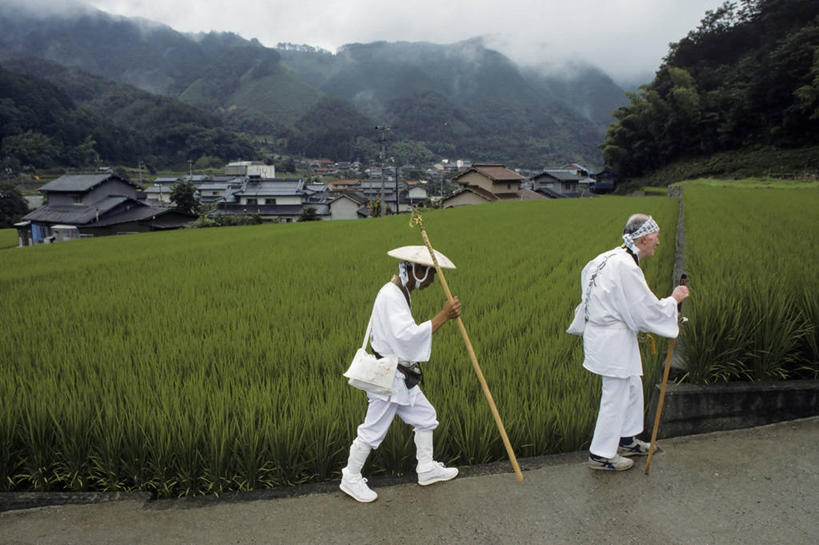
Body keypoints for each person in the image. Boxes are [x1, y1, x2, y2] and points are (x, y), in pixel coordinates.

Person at [340, 245, 462, 502]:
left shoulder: (398, 293)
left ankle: (426, 469)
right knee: (372, 431)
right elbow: (406, 337)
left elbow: (402, 339)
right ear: (416, 271)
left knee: (426, 416)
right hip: (388, 378)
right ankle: (350, 477)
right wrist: (443, 315)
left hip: (400, 376)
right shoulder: (391, 295)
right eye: (430, 276)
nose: (430, 282)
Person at [567, 214, 690, 471]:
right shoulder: (625, 266)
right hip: (612, 338)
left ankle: (625, 439)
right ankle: (600, 455)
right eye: (655, 237)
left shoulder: (607, 258)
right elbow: (643, 311)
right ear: (644, 238)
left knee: (632, 383)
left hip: (608, 335)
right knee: (616, 394)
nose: (658, 242)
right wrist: (673, 301)